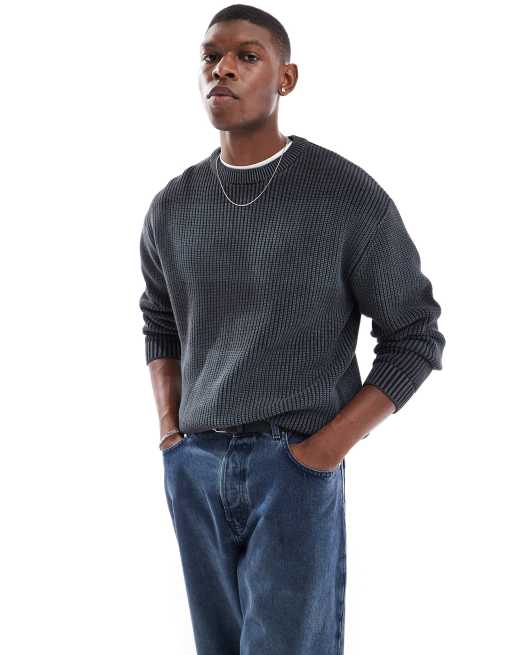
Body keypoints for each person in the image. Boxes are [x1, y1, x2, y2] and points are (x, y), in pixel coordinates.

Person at [138, 4, 446, 654]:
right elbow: (160, 322)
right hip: (194, 465)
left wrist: (322, 451)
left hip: (293, 465)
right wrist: (170, 434)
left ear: (286, 78)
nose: (222, 69)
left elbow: (415, 333)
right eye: (210, 56)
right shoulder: (173, 205)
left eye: (246, 56)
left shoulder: (343, 196)